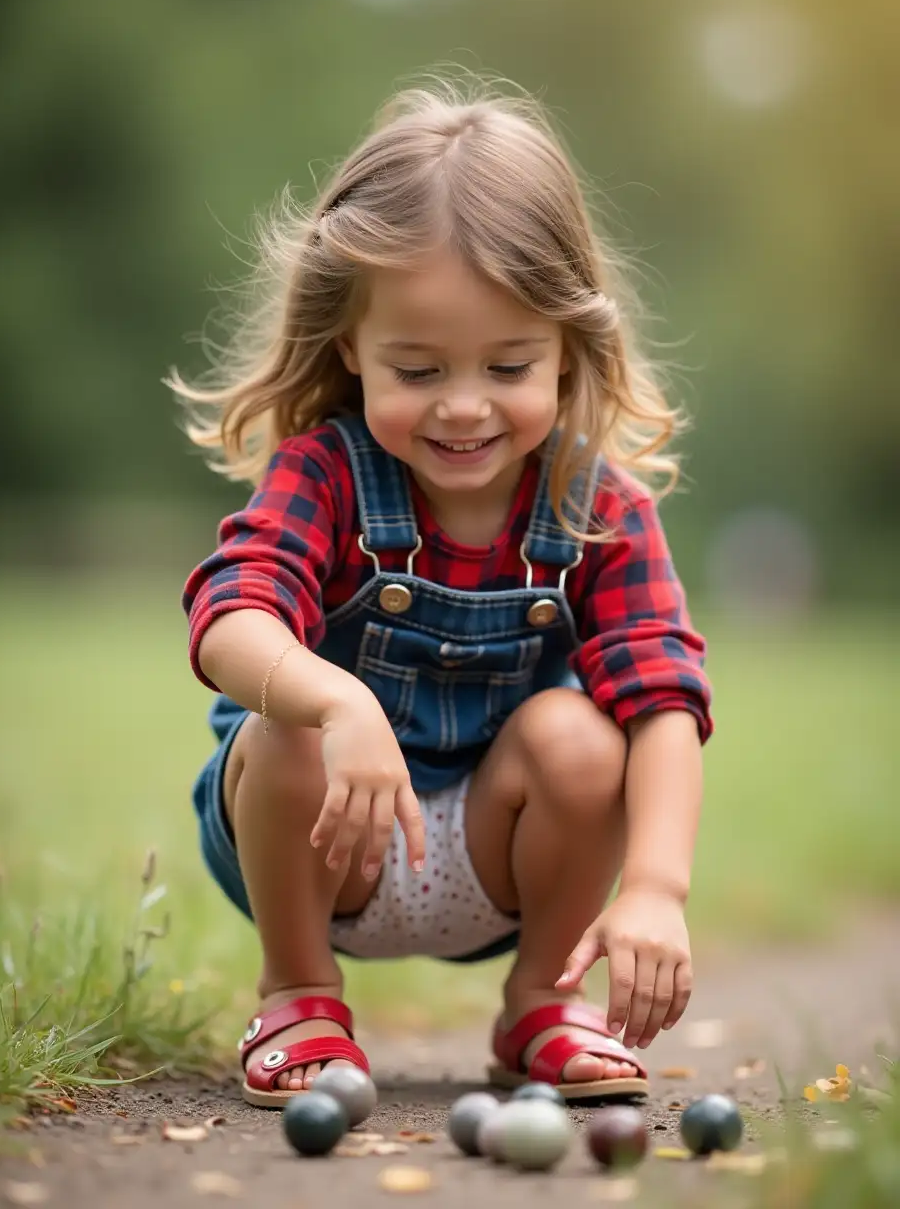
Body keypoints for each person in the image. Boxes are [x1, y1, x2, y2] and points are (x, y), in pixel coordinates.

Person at [172, 76, 713, 1108]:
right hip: (322, 852)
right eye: (416, 370)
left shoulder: (600, 509)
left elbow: (664, 700)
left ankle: (539, 1006)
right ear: (350, 348)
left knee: (584, 732)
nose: (463, 407)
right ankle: (297, 997)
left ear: (567, 349)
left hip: (496, 862)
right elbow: (229, 614)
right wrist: (335, 698)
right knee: (279, 719)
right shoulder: (323, 474)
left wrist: (653, 885)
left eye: (508, 364)